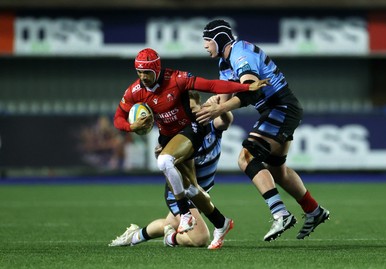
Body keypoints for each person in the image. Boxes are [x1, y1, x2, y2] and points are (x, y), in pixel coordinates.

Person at [113, 48, 267, 249]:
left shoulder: (187, 92)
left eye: (147, 72)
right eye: (139, 72)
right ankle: (185, 224)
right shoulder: (135, 91)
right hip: (178, 178)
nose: (143, 77)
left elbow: (212, 88)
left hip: (192, 169)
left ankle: (137, 236)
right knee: (198, 235)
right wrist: (131, 127)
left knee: (180, 206)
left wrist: (244, 88)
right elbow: (118, 118)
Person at [196, 19, 330, 241]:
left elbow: (252, 92)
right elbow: (225, 100)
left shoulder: (240, 55)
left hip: (280, 107)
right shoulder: (225, 62)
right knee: (278, 171)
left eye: (207, 41)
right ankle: (314, 210)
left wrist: (218, 108)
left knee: (246, 158)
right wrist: (212, 107)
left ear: (219, 39)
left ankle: (280, 213)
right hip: (279, 109)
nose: (205, 46)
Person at [109, 91, 233, 248]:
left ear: (200, 107)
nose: (189, 114)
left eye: (193, 109)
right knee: (200, 238)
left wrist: (220, 108)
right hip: (183, 191)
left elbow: (226, 121)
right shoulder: (178, 135)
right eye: (185, 110)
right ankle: (170, 239)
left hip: (200, 191)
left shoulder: (209, 124)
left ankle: (134, 236)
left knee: (170, 222)